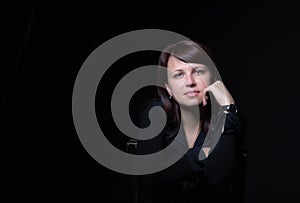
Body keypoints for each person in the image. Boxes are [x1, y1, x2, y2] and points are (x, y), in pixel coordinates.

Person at [129, 40, 246, 203]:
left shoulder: (228, 116)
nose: (190, 82)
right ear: (168, 87)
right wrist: (202, 154)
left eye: (198, 72)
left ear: (212, 79)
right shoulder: (155, 114)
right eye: (179, 74)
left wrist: (229, 110)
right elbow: (149, 179)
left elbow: (218, 177)